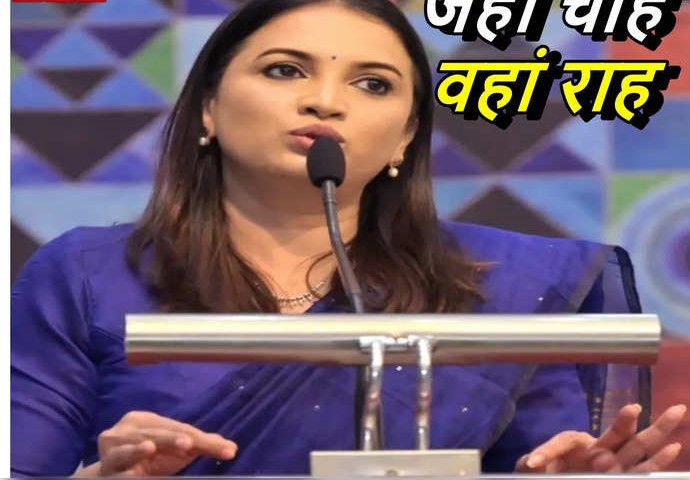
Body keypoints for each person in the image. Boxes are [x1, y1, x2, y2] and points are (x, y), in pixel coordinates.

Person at [10, 0, 686, 476]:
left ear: (406, 137)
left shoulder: (504, 288)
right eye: (285, 70)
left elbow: (543, 463)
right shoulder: (88, 273)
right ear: (208, 108)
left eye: (372, 84)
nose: (326, 101)